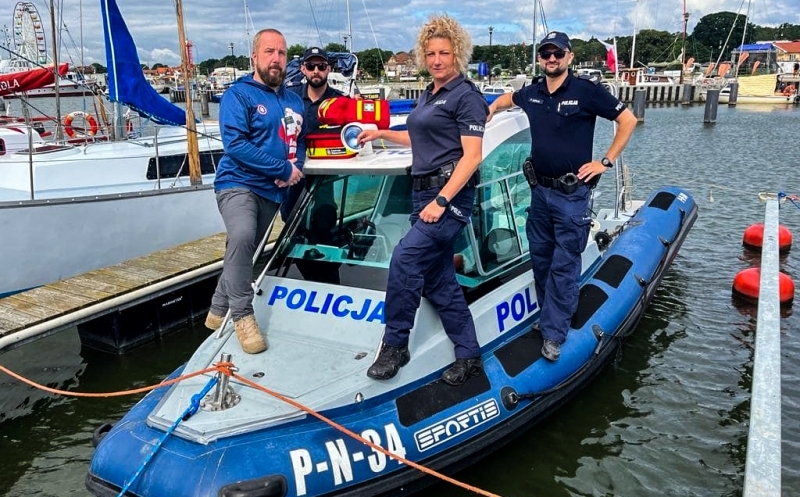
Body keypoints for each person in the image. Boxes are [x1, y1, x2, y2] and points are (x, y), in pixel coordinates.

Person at [487, 31, 636, 362]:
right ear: (540, 59)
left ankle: (554, 334)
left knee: (564, 265)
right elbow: (503, 100)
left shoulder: (586, 91)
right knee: (540, 260)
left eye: (558, 53)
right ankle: (549, 318)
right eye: (546, 53)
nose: (551, 58)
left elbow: (627, 120)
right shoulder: (532, 92)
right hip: (539, 192)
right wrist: (487, 112)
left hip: (572, 196)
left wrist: (605, 161)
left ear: (569, 57)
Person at [357, 15, 488, 386]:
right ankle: (469, 355)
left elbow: (472, 156)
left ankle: (395, 344)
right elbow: (419, 138)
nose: (436, 60)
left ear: (457, 54)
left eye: (444, 53)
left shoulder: (466, 96)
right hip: (422, 193)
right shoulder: (431, 94)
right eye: (430, 53)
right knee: (440, 282)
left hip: (448, 197)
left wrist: (443, 201)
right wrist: (380, 132)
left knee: (404, 257)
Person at [204, 28, 306, 354]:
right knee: (243, 235)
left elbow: (298, 141)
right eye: (269, 52)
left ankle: (217, 307)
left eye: (281, 53)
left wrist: (293, 167)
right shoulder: (239, 95)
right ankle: (243, 316)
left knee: (245, 250)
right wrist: (280, 169)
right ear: (255, 57)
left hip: (273, 192)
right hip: (238, 183)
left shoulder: (293, 100)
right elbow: (235, 145)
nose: (276, 59)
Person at [281, 46, 346, 221]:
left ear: (329, 69)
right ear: (303, 69)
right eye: (310, 66)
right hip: (295, 170)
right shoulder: (289, 98)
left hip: (326, 174)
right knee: (290, 220)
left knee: (325, 218)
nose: (316, 71)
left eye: (321, 66)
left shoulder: (342, 101)